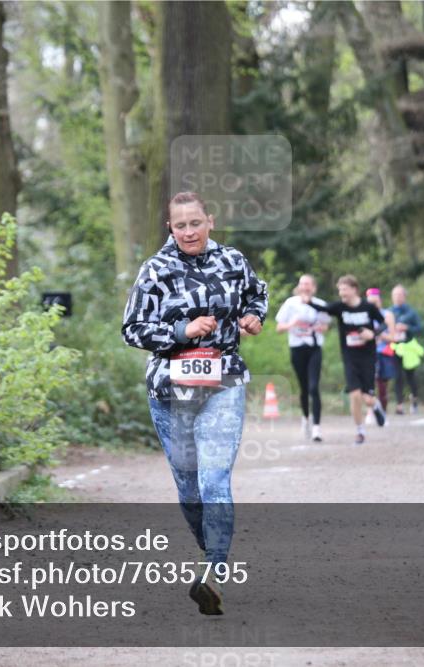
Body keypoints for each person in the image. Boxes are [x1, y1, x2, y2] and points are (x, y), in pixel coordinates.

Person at [122, 191, 268, 615]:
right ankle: (213, 552)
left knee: (215, 478)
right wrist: (182, 331)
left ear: (210, 221)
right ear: (171, 227)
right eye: (180, 224)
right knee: (189, 491)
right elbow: (131, 329)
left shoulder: (233, 261)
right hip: (170, 390)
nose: (188, 231)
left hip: (224, 382)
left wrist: (253, 317)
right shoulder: (155, 270)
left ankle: (214, 572)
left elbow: (258, 294)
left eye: (195, 223)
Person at [304, 275, 386, 445]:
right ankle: (360, 430)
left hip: (368, 357)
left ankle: (375, 405)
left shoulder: (368, 307)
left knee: (367, 398)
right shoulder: (340, 308)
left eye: (344, 289)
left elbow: (383, 323)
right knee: (355, 395)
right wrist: (307, 298)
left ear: (354, 289)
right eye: (340, 290)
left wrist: (373, 334)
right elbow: (322, 308)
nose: (342, 293)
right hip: (349, 356)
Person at [275, 275, 330, 442]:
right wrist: (292, 324)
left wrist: (320, 328)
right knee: (304, 388)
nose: (304, 287)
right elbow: (279, 328)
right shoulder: (291, 303)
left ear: (313, 287)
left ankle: (317, 428)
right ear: (299, 287)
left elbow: (326, 325)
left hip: (314, 348)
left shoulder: (320, 304)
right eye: (302, 284)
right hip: (297, 348)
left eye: (308, 284)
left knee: (314, 387)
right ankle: (306, 418)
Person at [389, 284, 422, 414]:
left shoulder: (411, 312)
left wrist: (407, 328)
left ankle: (414, 402)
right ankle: (399, 404)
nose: (397, 297)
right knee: (397, 377)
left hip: (408, 347)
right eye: (394, 295)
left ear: (404, 296)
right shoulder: (389, 312)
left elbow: (419, 328)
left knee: (411, 377)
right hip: (395, 347)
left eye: (399, 295)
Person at [366, 288, 398, 418]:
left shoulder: (387, 315)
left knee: (382, 384)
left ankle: (383, 411)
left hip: (384, 352)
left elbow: (393, 337)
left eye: (376, 302)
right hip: (368, 353)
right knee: (369, 383)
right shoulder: (363, 314)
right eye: (371, 302)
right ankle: (370, 411)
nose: (374, 305)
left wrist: (378, 335)